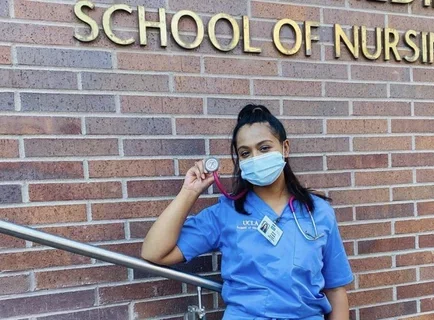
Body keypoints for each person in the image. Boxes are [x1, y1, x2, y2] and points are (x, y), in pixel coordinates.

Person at [141, 104, 353, 320]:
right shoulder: (225, 213)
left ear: (285, 148)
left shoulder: (318, 212)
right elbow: (154, 252)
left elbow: (336, 290)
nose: (255, 158)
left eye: (264, 148)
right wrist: (189, 191)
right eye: (245, 153)